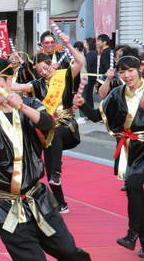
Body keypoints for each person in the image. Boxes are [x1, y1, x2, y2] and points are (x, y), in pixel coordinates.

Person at [0, 58, 91, 261]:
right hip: (6, 206)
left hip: (38, 199)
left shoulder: (31, 104)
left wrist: (22, 107)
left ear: (9, 81)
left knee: (69, 252)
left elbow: (48, 124)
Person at [73, 55, 143, 259]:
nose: (127, 75)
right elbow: (96, 116)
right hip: (130, 149)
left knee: (133, 184)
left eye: (130, 70)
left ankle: (132, 233)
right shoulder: (117, 93)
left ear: (139, 69)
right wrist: (82, 104)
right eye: (122, 72)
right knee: (135, 192)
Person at [12, 32, 84, 213]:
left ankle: (56, 173)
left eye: (45, 67)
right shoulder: (36, 85)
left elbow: (80, 62)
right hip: (49, 131)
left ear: (51, 63)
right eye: (39, 71)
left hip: (67, 126)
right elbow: (16, 87)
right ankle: (61, 203)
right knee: (48, 164)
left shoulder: (64, 75)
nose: (43, 72)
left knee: (55, 135)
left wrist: (68, 45)